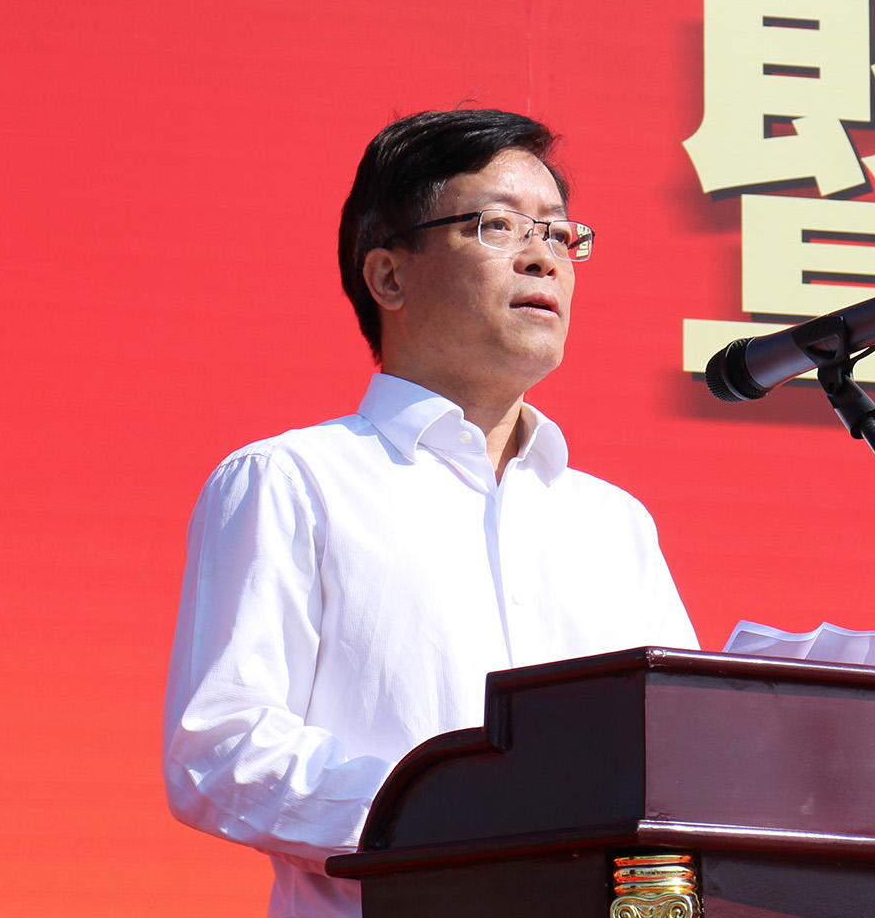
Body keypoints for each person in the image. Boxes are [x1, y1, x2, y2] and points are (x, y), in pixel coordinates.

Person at [162, 109, 699, 918]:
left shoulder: (612, 522)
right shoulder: (295, 481)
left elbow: (678, 756)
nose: (542, 257)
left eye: (559, 234)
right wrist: (453, 815)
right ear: (389, 278)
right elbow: (221, 751)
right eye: (498, 226)